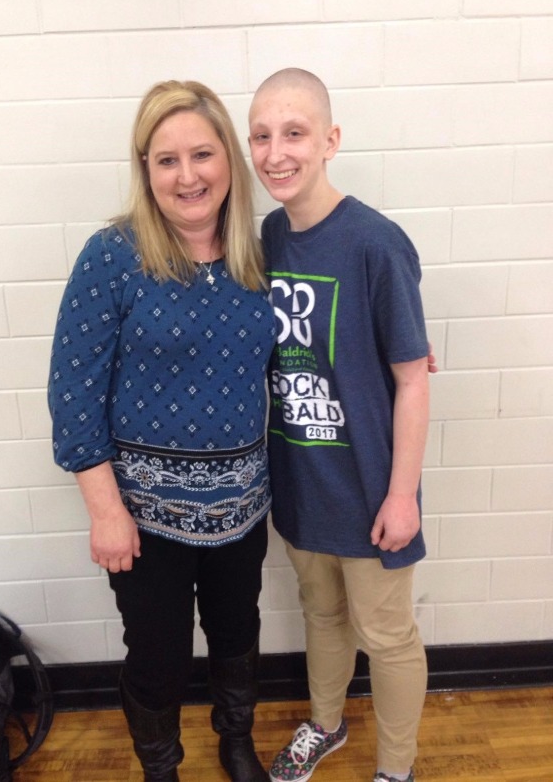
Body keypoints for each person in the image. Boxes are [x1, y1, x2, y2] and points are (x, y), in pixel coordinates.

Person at [48, 80, 275, 782]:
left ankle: (236, 742)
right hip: (144, 519)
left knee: (238, 636)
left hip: (244, 508)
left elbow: (311, 342)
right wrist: (106, 512)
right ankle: (161, 764)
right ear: (145, 169)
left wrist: (394, 354)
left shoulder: (261, 254)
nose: (187, 175)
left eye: (202, 154)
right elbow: (72, 393)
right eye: (166, 159)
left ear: (229, 160)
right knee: (158, 654)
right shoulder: (112, 256)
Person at [248, 68, 430, 782]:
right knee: (320, 614)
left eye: (293, 133)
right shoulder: (268, 234)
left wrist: (402, 494)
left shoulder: (375, 244)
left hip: (368, 488)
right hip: (299, 482)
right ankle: (325, 726)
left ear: (330, 141)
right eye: (261, 136)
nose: (275, 153)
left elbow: (413, 380)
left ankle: (397, 769)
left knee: (386, 635)